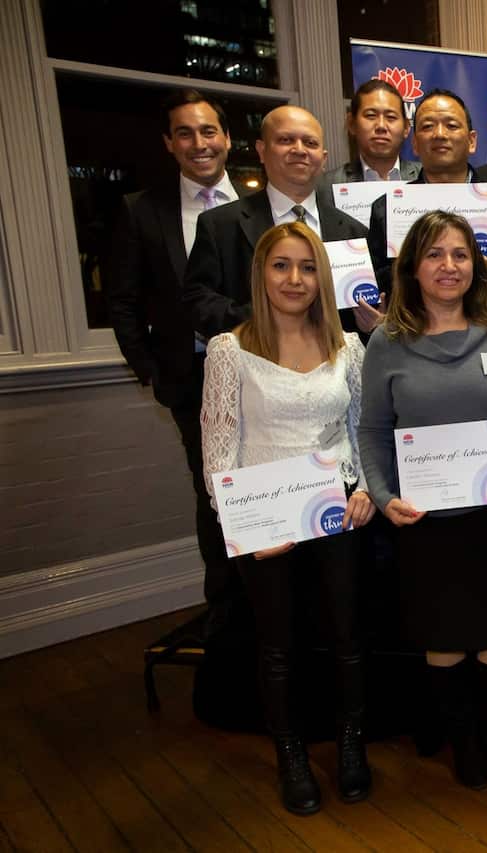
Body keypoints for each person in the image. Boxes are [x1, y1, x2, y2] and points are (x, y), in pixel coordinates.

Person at [200, 222, 375, 815]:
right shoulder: (230, 350)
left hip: (337, 512)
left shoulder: (347, 347)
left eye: (306, 267)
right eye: (281, 266)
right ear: (261, 274)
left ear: (321, 277)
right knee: (278, 646)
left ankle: (352, 744)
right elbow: (218, 451)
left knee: (347, 638)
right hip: (266, 518)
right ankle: (291, 753)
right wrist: (245, 528)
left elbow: (363, 431)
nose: (294, 279)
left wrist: (369, 489)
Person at [358, 210, 487, 791]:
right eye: (434, 254)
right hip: (425, 520)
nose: (448, 266)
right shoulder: (387, 341)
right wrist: (383, 497)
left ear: (475, 263)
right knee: (444, 638)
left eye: (459, 254)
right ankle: (464, 746)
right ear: (412, 266)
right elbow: (373, 431)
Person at [106, 88, 240, 637]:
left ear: (227, 139)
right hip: (192, 382)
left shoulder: (257, 208)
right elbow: (122, 300)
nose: (199, 143)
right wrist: (152, 372)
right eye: (184, 133)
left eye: (208, 131)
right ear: (169, 143)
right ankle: (228, 616)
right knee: (214, 499)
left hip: (262, 376)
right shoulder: (142, 210)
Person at [182, 105, 370, 337]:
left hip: (334, 367)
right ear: (261, 150)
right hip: (251, 362)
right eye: (286, 140)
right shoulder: (220, 225)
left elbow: (359, 316)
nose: (299, 150)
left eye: (310, 143)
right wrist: (261, 321)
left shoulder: (354, 232)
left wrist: (372, 320)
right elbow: (197, 299)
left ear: (323, 159)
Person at [366, 89, 487, 296]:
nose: (439, 134)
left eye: (451, 125)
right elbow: (378, 282)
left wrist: (486, 272)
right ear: (414, 143)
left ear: (472, 141)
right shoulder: (386, 209)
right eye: (428, 126)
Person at [324, 79, 419, 184]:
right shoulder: (327, 185)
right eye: (371, 115)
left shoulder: (427, 178)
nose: (381, 126)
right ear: (351, 124)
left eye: (391, 117)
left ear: (406, 128)